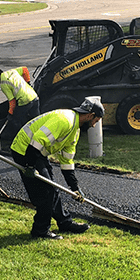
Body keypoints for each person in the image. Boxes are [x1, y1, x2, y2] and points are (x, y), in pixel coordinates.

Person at [10, 96, 104, 239]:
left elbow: (66, 162)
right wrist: (29, 165)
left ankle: (64, 223)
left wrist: (75, 187)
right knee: (45, 192)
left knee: (52, 188)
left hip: (37, 152)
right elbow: (37, 141)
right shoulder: (64, 120)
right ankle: (40, 230)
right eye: (95, 121)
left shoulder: (74, 131)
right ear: (90, 115)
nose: (93, 125)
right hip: (25, 149)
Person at [0, 66, 40, 146]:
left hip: (24, 101)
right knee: (37, 121)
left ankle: (20, 142)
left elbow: (12, 102)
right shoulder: (12, 71)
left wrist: (10, 114)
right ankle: (38, 141)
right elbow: (25, 70)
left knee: (16, 122)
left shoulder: (3, 84)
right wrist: (28, 83)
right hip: (34, 97)